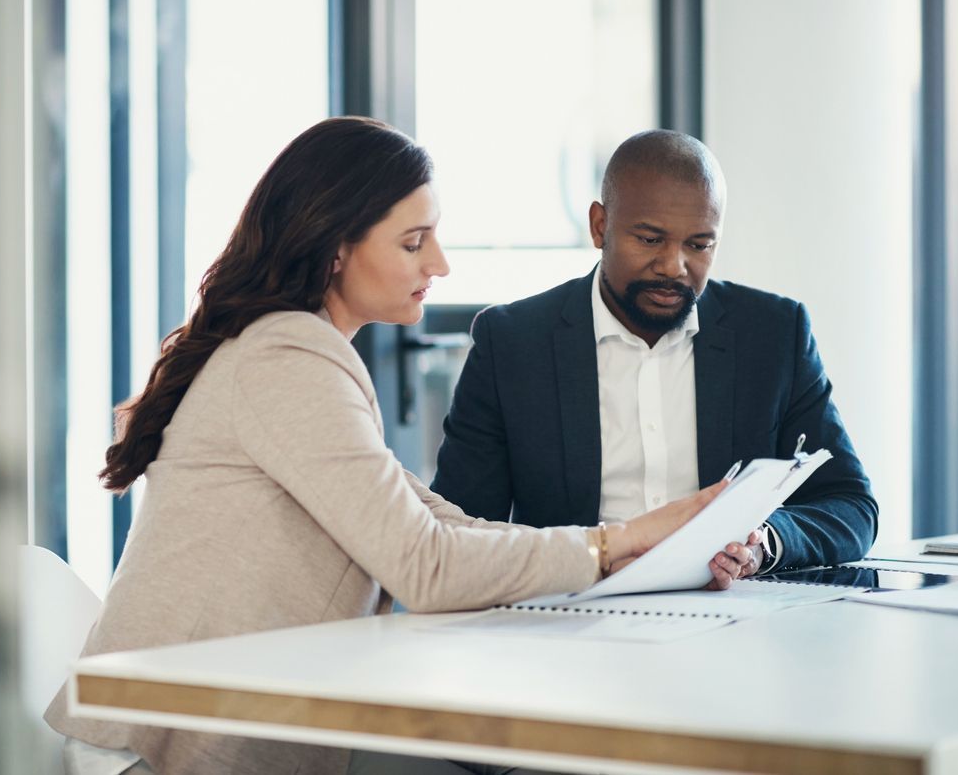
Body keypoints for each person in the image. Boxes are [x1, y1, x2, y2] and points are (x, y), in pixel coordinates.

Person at [44, 117, 731, 775]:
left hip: (223, 737)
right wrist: (612, 546)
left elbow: (433, 519)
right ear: (336, 245)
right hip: (157, 758)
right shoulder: (286, 358)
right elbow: (425, 566)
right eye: (413, 242)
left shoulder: (302, 352)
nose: (439, 263)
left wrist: (623, 545)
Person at [432, 130, 877, 581]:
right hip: (567, 620)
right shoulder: (513, 342)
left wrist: (765, 541)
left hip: (733, 623)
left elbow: (850, 505)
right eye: (649, 240)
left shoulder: (774, 335)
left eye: (699, 245)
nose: (674, 266)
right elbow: (455, 533)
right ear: (600, 226)